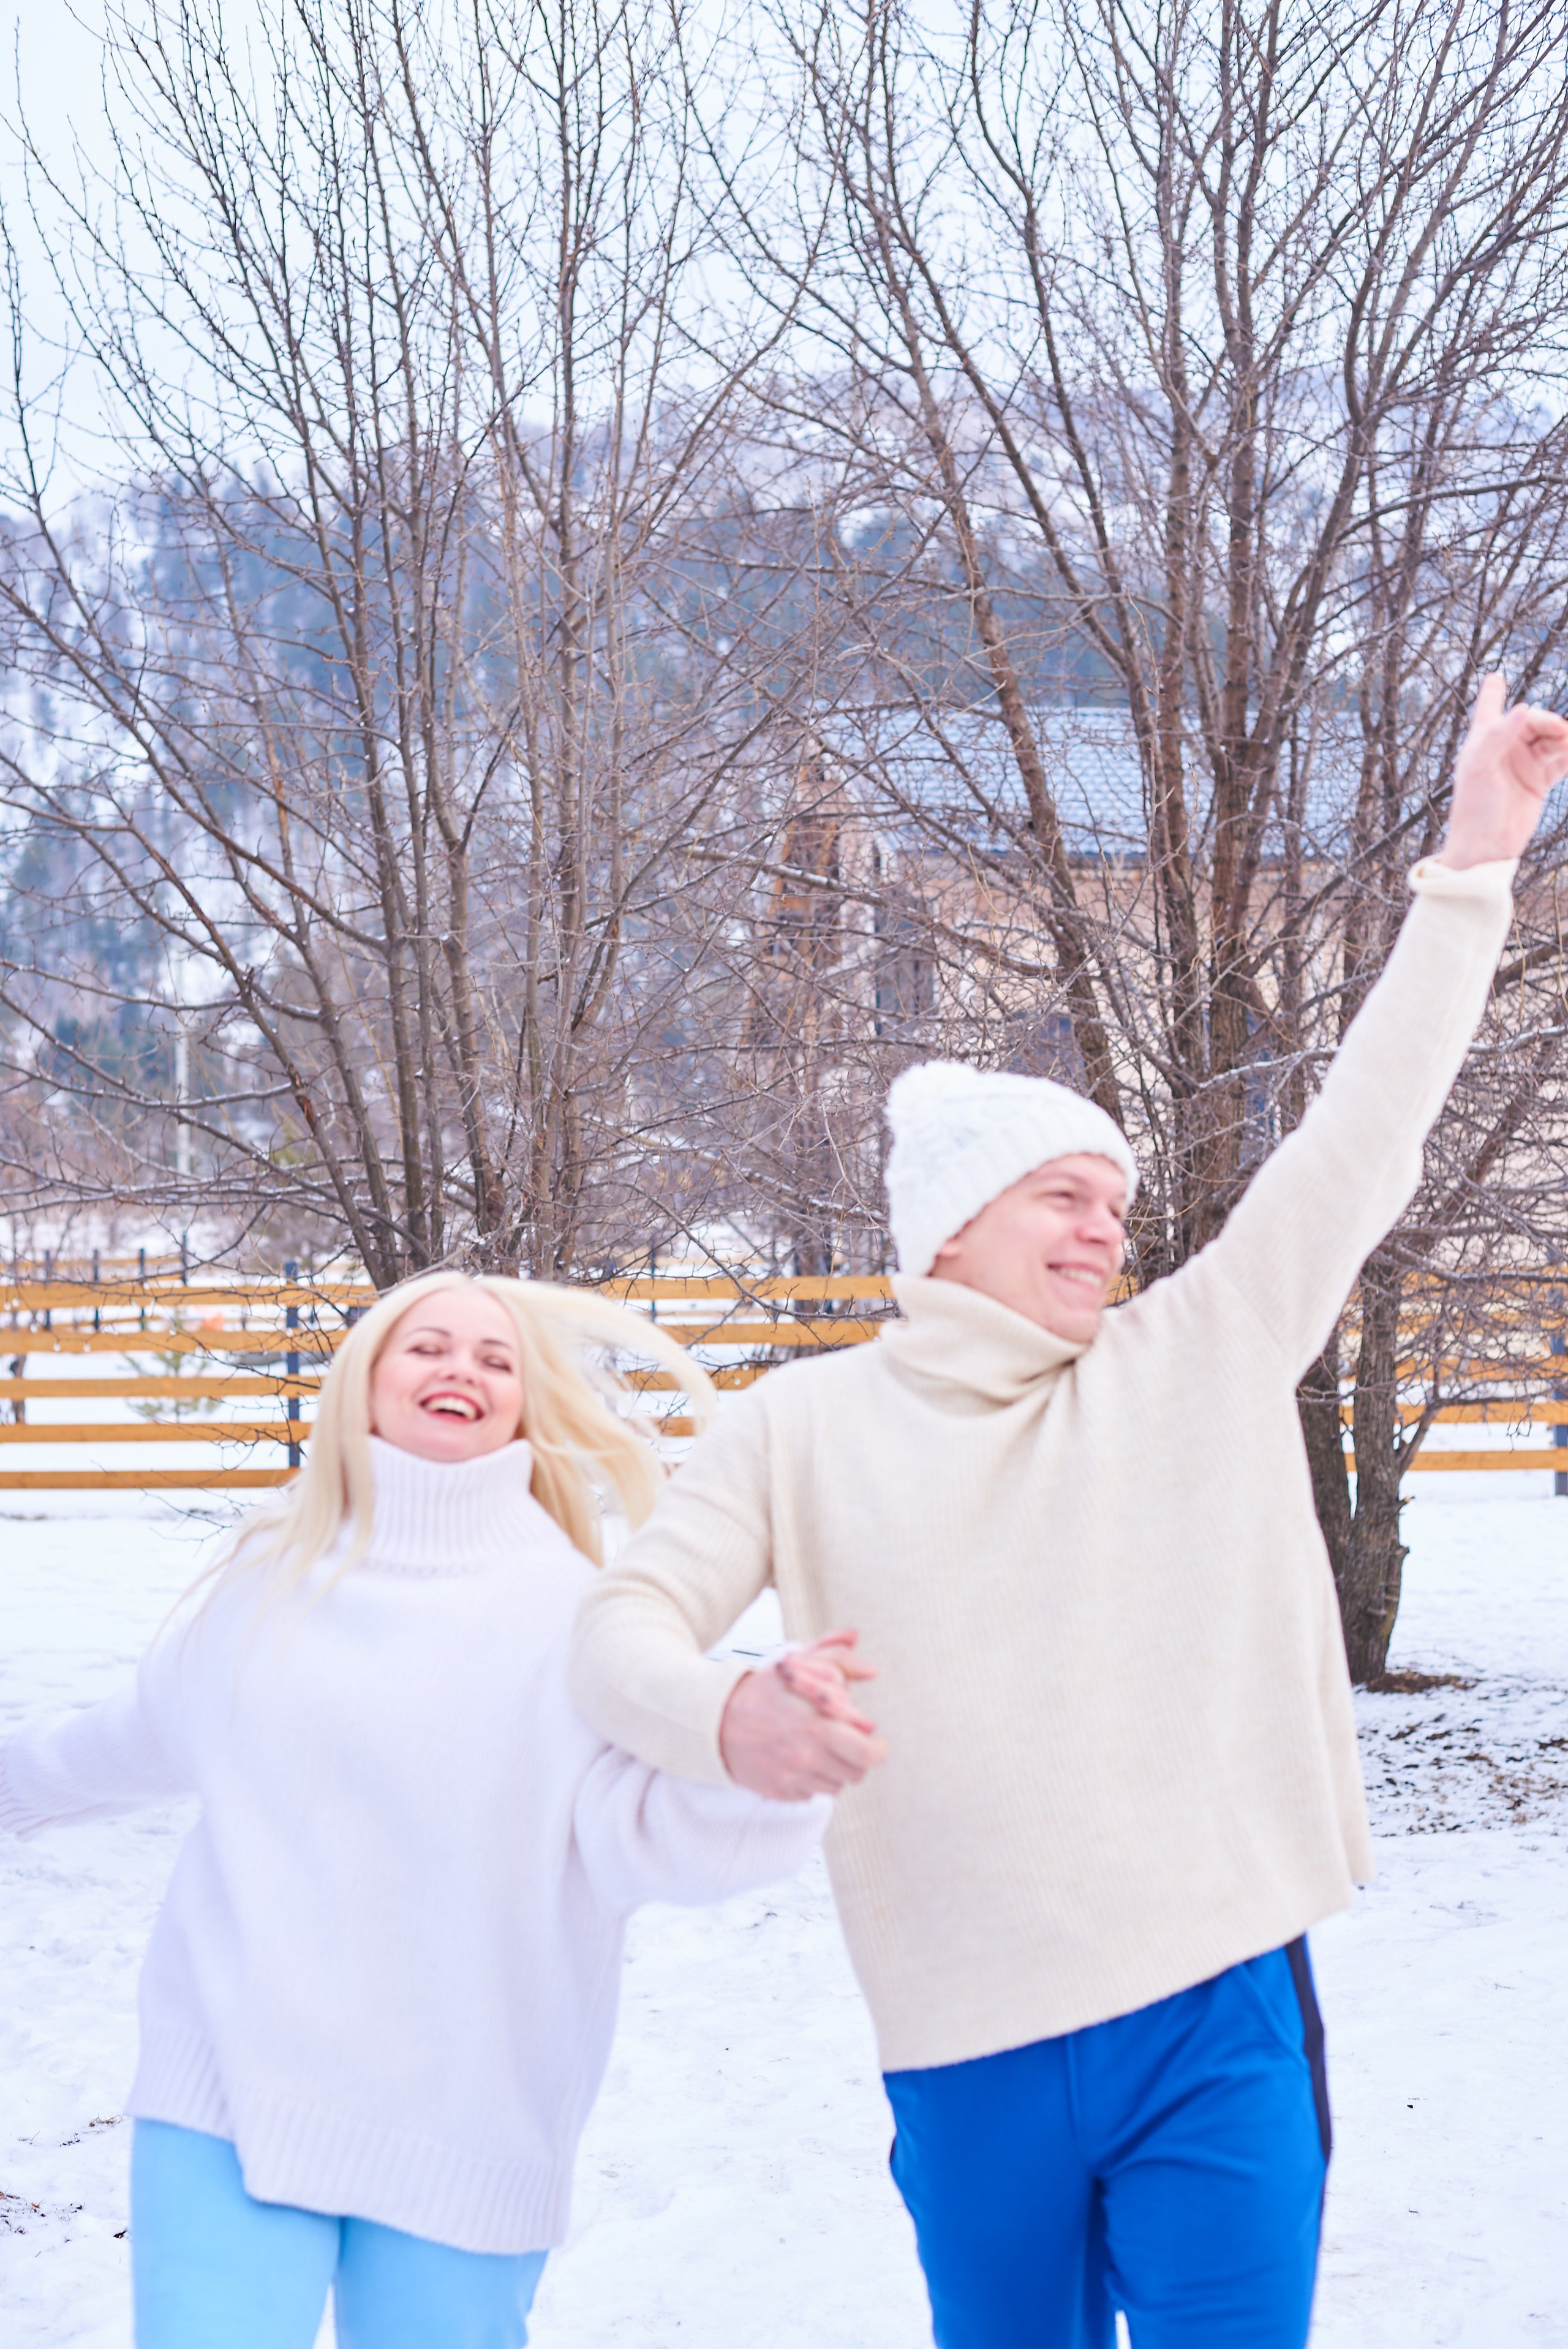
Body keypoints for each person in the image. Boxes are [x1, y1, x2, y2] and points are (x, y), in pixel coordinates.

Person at [569, 676, 1568, 2348]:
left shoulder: (1195, 1350)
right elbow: (612, 1638)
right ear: (949, 1229)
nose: (1108, 1228)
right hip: (966, 2041)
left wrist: (1474, 861)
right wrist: (727, 1711)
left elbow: (1364, 1133)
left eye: (1117, 1198)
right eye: (1064, 1195)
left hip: (1216, 2007)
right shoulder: (803, 1424)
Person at [0, 1272, 832, 2349]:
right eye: (427, 1347)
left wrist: (769, 1763)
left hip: (467, 2122)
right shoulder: (267, 1581)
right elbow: (117, 1743)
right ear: (365, 1384)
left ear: (528, 1406)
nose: (461, 1372)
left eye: (497, 1360)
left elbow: (654, 1835)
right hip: (228, 2094)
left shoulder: (580, 1619)